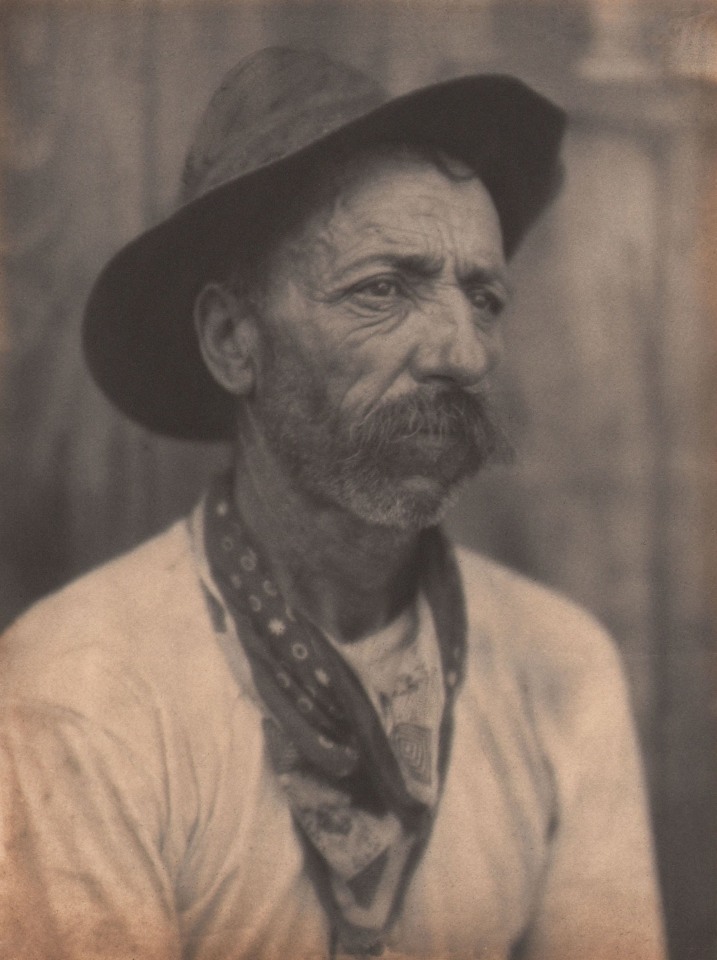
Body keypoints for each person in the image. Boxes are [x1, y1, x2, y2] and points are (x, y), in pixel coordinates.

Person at [0, 47, 665, 960]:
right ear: (235, 341)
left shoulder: (561, 670)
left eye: (483, 298)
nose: (463, 354)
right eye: (383, 290)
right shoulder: (79, 686)